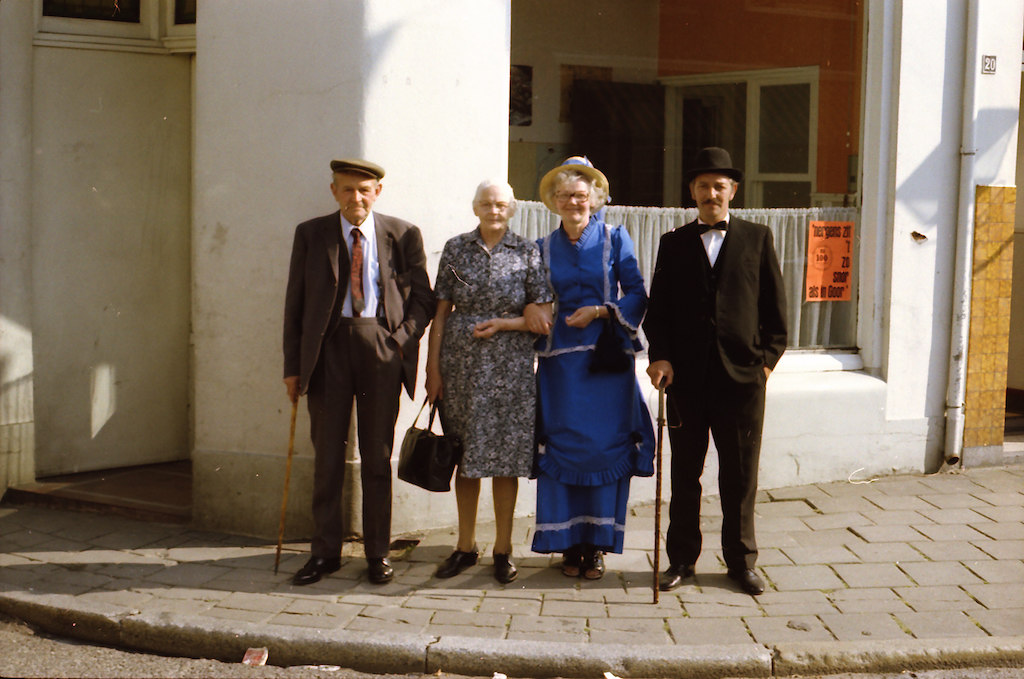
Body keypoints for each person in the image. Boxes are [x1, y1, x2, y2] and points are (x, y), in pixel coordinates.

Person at [283, 158, 435, 586]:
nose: (356, 198)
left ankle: (377, 553)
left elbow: (424, 298)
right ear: (334, 191)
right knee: (328, 457)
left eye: (364, 190)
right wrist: (293, 367)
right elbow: (294, 305)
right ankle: (325, 553)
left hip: (380, 350)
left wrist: (400, 340)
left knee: (375, 458)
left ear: (378, 192)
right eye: (348, 190)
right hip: (327, 351)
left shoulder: (402, 235)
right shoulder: (311, 234)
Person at [643, 147, 787, 596]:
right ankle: (681, 561)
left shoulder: (758, 238)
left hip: (743, 381)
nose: (711, 193)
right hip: (685, 380)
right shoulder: (673, 243)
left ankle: (741, 563)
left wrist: (764, 364)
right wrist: (659, 357)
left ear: (733, 191)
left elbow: (776, 313)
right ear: (692, 192)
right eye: (703, 186)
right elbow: (658, 311)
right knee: (685, 475)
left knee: (740, 477)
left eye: (719, 186)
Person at [525, 156, 655, 580]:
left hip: (606, 363)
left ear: (596, 199)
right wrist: (531, 308)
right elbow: (532, 298)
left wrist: (601, 311)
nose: (573, 202)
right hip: (560, 367)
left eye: (581, 195)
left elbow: (637, 292)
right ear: (555, 202)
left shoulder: (617, 239)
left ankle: (596, 545)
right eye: (565, 196)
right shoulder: (541, 248)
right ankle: (566, 544)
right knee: (563, 446)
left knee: (604, 447)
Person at [425, 180, 553, 584]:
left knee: (506, 460)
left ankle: (502, 548)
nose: (493, 209)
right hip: (460, 364)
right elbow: (441, 314)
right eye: (486, 203)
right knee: (464, 456)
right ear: (475, 207)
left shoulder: (528, 251)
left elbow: (542, 312)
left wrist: (505, 323)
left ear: (511, 208)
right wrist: (432, 370)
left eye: (500, 204)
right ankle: (464, 546)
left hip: (510, 365)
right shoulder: (456, 248)